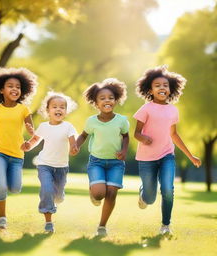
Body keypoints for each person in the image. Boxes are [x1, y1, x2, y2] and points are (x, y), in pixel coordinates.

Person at [133, 65, 201, 235]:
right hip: (147, 158)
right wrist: (143, 138)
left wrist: (191, 156)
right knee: (150, 197)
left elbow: (174, 135)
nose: (162, 88)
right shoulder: (146, 108)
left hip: (166, 155)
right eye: (157, 85)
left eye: (165, 85)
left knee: (168, 189)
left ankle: (165, 226)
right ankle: (144, 193)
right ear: (150, 89)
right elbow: (136, 133)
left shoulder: (173, 110)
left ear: (170, 89)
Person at [0, 67, 38, 229]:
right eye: (10, 86)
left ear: (22, 90)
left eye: (18, 87)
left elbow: (30, 127)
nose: (15, 89)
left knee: (15, 188)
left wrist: (31, 133)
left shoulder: (23, 109)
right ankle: (2, 218)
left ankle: (7, 183)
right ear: (1, 90)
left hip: (17, 154)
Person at [76, 78, 130, 236]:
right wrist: (76, 145)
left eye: (111, 98)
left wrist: (124, 150)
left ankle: (102, 226)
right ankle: (94, 189)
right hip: (96, 162)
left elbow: (126, 137)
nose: (107, 100)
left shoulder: (122, 120)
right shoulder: (91, 121)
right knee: (99, 194)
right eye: (102, 98)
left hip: (116, 163)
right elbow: (83, 135)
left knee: (112, 193)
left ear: (116, 100)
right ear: (96, 103)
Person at [21, 91, 77, 233]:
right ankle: (48, 222)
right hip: (44, 164)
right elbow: (34, 140)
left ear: (66, 110)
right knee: (46, 189)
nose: (58, 109)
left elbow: (73, 141)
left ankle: (59, 195)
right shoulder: (44, 126)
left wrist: (74, 148)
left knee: (57, 196)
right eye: (55, 107)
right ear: (48, 110)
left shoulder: (68, 126)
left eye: (62, 107)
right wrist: (28, 145)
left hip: (61, 167)